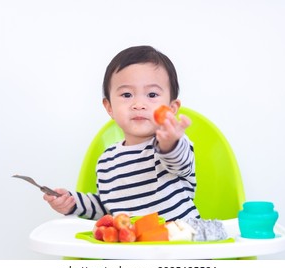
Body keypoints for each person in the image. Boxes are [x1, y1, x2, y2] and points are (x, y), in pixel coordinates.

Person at [44, 45, 200, 222]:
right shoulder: (106, 161)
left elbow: (177, 160)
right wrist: (72, 203)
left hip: (180, 242)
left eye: (152, 94)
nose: (139, 104)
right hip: (131, 247)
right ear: (109, 107)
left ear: (171, 109)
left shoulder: (173, 146)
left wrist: (169, 143)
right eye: (127, 95)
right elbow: (109, 207)